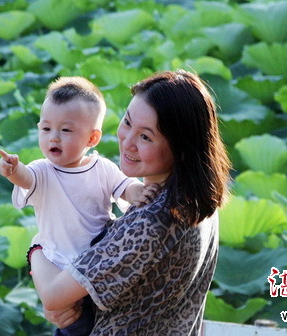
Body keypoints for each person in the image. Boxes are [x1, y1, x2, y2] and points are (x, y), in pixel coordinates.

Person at [28, 69, 232, 335]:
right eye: (127, 122)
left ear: (180, 148)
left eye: (145, 136)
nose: (127, 141)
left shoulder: (151, 220)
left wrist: (37, 249)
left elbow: (54, 297)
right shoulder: (196, 201)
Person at [0, 76, 154, 336]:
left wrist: (138, 191)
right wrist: (12, 170)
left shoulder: (102, 168)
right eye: (46, 129)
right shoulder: (42, 171)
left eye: (66, 130)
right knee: (74, 325)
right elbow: (26, 178)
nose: (53, 138)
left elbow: (124, 187)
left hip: (96, 264)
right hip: (59, 267)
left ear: (92, 138)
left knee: (101, 319)